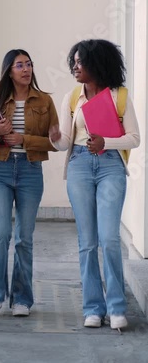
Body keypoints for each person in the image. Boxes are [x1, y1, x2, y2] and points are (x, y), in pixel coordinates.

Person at [49, 39, 140, 330]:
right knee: (87, 242)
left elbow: (135, 138)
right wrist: (54, 137)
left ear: (97, 63)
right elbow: (65, 143)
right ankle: (92, 307)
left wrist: (107, 142)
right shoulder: (72, 97)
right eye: (73, 62)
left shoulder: (120, 96)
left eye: (81, 62)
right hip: (79, 166)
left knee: (110, 238)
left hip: (111, 165)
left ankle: (116, 308)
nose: (75, 67)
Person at [0, 49, 59, 317]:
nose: (26, 69)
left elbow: (56, 142)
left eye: (29, 64)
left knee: (24, 238)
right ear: (9, 71)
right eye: (20, 65)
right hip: (0, 171)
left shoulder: (45, 101)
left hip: (30, 171)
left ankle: (22, 298)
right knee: (0, 234)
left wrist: (25, 140)